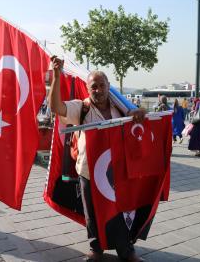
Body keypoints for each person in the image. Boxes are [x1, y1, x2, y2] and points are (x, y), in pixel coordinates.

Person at [48, 56, 145, 262]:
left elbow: (140, 125)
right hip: (88, 171)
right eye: (94, 87)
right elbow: (56, 107)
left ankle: (126, 251)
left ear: (109, 86)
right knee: (92, 212)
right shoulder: (81, 108)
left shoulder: (122, 108)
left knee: (120, 210)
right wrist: (56, 76)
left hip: (117, 170)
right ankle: (96, 248)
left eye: (102, 86)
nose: (98, 90)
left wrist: (140, 114)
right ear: (87, 88)